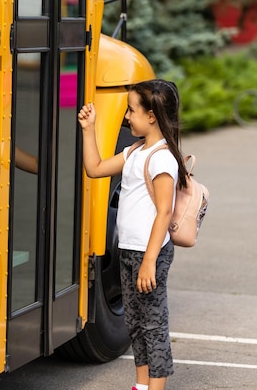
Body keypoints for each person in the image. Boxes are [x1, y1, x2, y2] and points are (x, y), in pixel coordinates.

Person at [78, 79, 188, 390]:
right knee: (135, 324)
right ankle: (140, 385)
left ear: (151, 116)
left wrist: (150, 261)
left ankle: (156, 387)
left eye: (131, 110)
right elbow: (95, 168)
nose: (127, 117)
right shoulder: (135, 150)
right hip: (129, 250)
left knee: (153, 325)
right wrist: (89, 129)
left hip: (148, 253)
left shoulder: (162, 158)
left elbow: (164, 212)